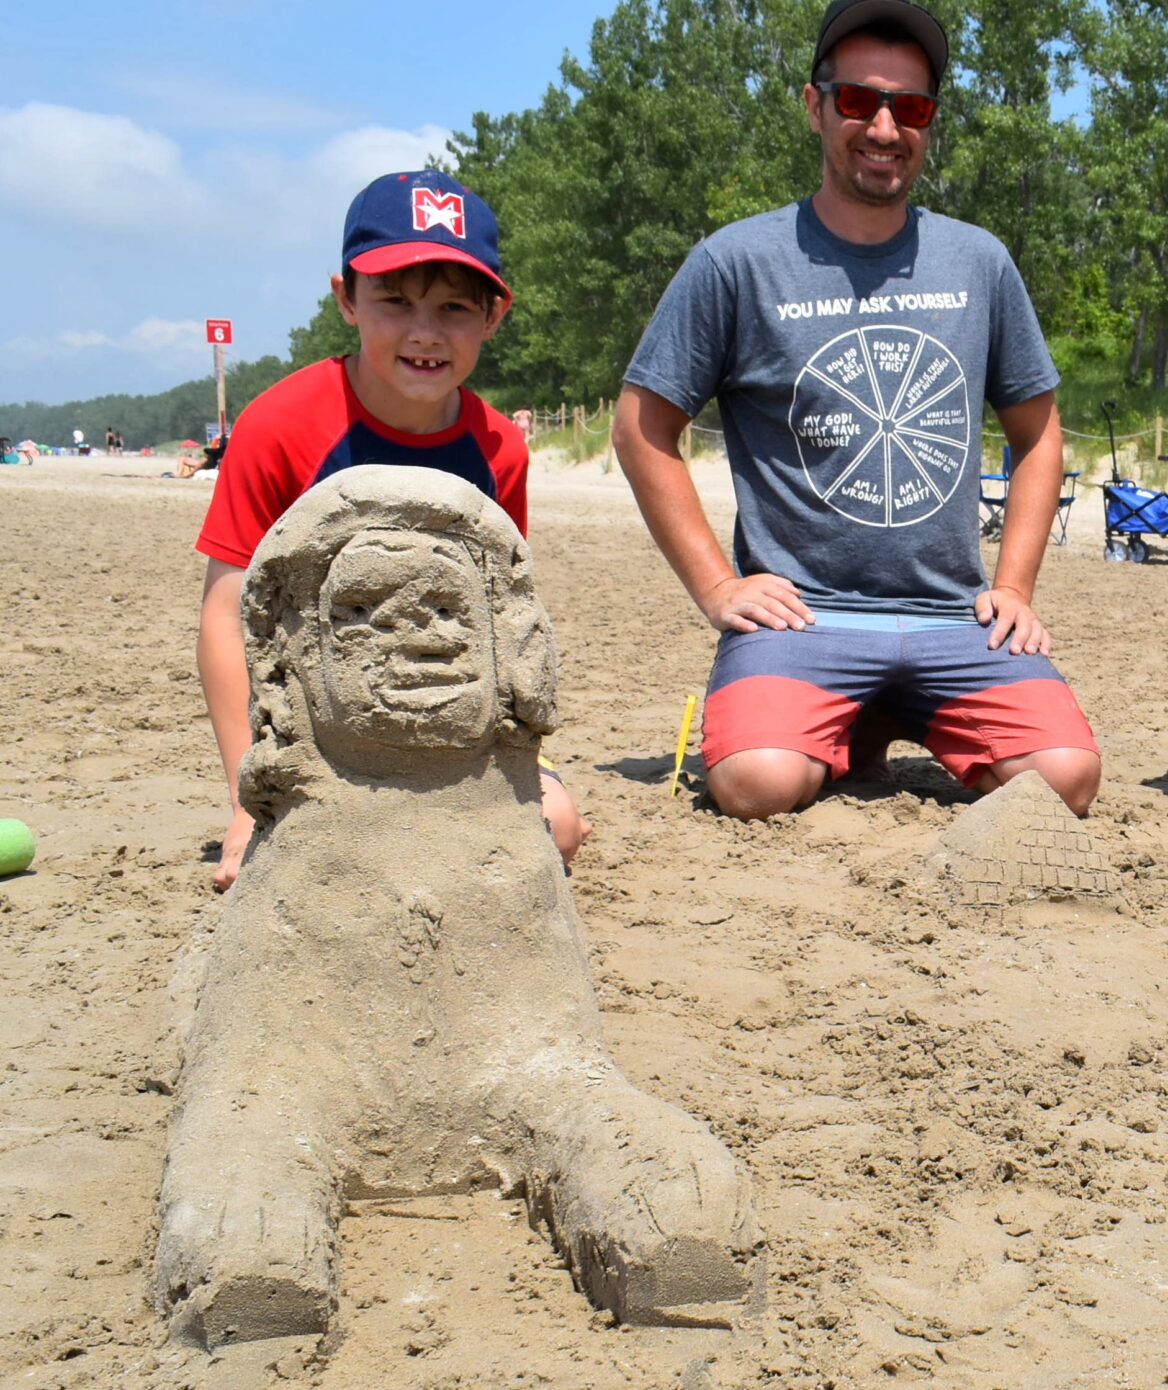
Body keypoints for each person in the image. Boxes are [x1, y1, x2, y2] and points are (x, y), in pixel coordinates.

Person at [615, 0, 1099, 821]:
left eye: (910, 108)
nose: (883, 127)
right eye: (857, 101)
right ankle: (843, 715)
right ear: (814, 106)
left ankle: (881, 710)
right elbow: (641, 425)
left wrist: (1014, 586)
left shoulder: (980, 261)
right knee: (757, 786)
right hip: (801, 619)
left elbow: (1039, 431)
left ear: (929, 123)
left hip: (952, 617)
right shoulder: (735, 262)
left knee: (1066, 781)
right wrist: (716, 587)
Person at [193, 169, 588, 892]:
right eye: (394, 300)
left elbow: (500, 622)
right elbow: (225, 615)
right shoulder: (280, 426)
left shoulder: (501, 448)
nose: (425, 332)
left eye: (455, 307)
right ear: (346, 297)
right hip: (314, 724)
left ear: (495, 314)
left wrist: (521, 762)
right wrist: (248, 794)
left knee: (555, 826)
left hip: (442, 713)